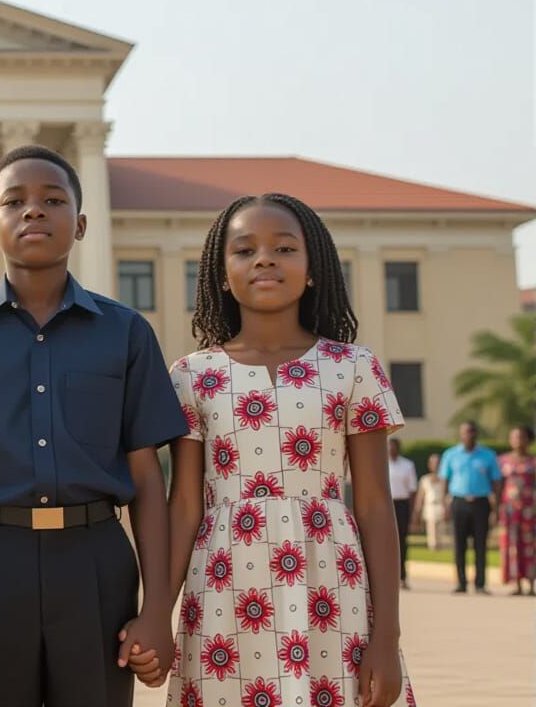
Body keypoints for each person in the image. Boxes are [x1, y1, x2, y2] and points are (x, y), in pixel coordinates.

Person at [0, 145, 181, 706]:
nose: (34, 212)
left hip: (96, 561)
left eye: (53, 200)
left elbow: (147, 479)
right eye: (15, 201)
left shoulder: (126, 333)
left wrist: (157, 609)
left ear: (82, 223)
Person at [157, 193, 413, 707]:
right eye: (245, 250)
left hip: (330, 584)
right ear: (220, 273)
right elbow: (184, 505)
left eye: (284, 248)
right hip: (224, 586)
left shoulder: (353, 367)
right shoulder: (192, 375)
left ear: (313, 268)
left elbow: (373, 505)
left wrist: (387, 638)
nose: (265, 259)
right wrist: (156, 613)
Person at [440, 420, 502, 594]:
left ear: (476, 434)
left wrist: (496, 509)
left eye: (472, 431)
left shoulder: (488, 455)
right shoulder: (451, 455)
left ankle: (480, 584)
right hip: (458, 502)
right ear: (461, 434)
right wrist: (445, 505)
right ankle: (461, 583)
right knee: (459, 545)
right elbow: (445, 480)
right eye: (466, 432)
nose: (469, 435)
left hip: (481, 503)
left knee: (480, 545)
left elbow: (496, 481)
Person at [498, 425, 536, 595]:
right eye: (513, 437)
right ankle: (517, 584)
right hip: (510, 511)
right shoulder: (502, 461)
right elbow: (498, 486)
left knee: (531, 546)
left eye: (520, 437)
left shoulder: (533, 461)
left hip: (531, 510)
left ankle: (531, 584)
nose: (517, 440)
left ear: (528, 439)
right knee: (513, 545)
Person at [387, 438, 418, 589]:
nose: (391, 449)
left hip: (402, 505)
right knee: (384, 542)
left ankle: (402, 577)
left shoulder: (407, 465)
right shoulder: (381, 464)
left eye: (394, 447)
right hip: (386, 506)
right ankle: (385, 577)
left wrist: (413, 513)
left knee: (401, 542)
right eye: (389, 447)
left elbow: (412, 490)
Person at [415, 453, 448, 550]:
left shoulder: (445, 479)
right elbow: (420, 497)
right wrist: (417, 511)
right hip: (430, 507)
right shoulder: (425, 479)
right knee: (432, 533)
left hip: (442, 507)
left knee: (443, 533)